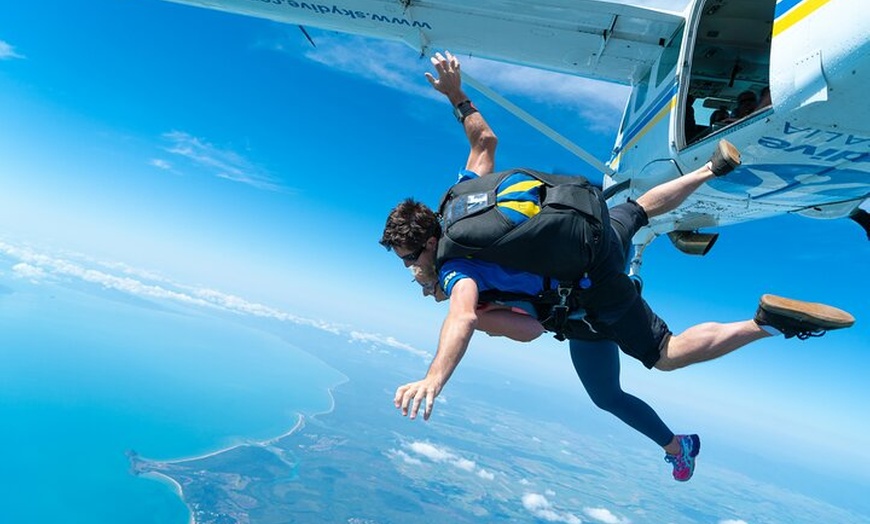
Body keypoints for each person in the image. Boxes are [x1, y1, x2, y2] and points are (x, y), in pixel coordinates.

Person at [381, 51, 856, 481]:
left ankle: (763, 325)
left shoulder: (455, 269)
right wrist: (457, 94)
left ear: (426, 243)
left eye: (409, 259)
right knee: (642, 210)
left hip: (591, 293)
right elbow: (484, 140)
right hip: (596, 226)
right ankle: (710, 169)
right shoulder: (462, 196)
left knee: (659, 357)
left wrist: (437, 372)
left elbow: (520, 330)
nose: (411, 270)